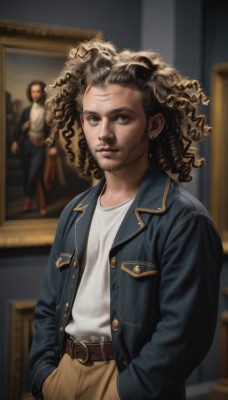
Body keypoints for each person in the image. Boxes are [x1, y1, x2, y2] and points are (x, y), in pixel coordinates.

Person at [30, 39, 223, 400]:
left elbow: (184, 336)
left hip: (125, 383)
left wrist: (124, 392)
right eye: (93, 118)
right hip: (64, 374)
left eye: (121, 117)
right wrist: (44, 376)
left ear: (153, 125)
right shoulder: (75, 211)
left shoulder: (184, 220)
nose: (103, 134)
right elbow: (46, 309)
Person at [11, 80, 53, 216]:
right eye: (33, 92)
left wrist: (52, 145)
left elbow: (53, 131)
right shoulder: (26, 111)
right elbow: (18, 129)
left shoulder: (48, 110)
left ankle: (30, 201)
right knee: (27, 174)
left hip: (40, 147)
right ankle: (38, 203)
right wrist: (17, 138)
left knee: (34, 175)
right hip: (27, 145)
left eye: (38, 91)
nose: (36, 94)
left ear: (43, 92)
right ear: (30, 94)